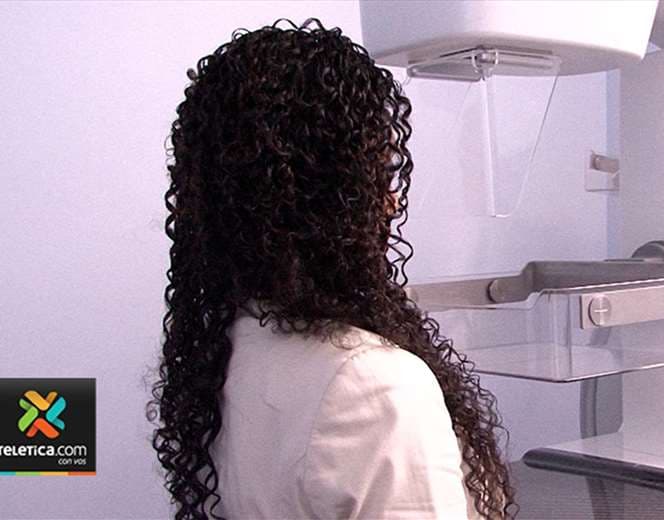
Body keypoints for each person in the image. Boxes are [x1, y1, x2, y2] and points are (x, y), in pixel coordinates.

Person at [145, 17, 516, 520]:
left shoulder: (227, 346)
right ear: (331, 199)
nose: (391, 202)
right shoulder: (376, 386)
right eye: (378, 174)